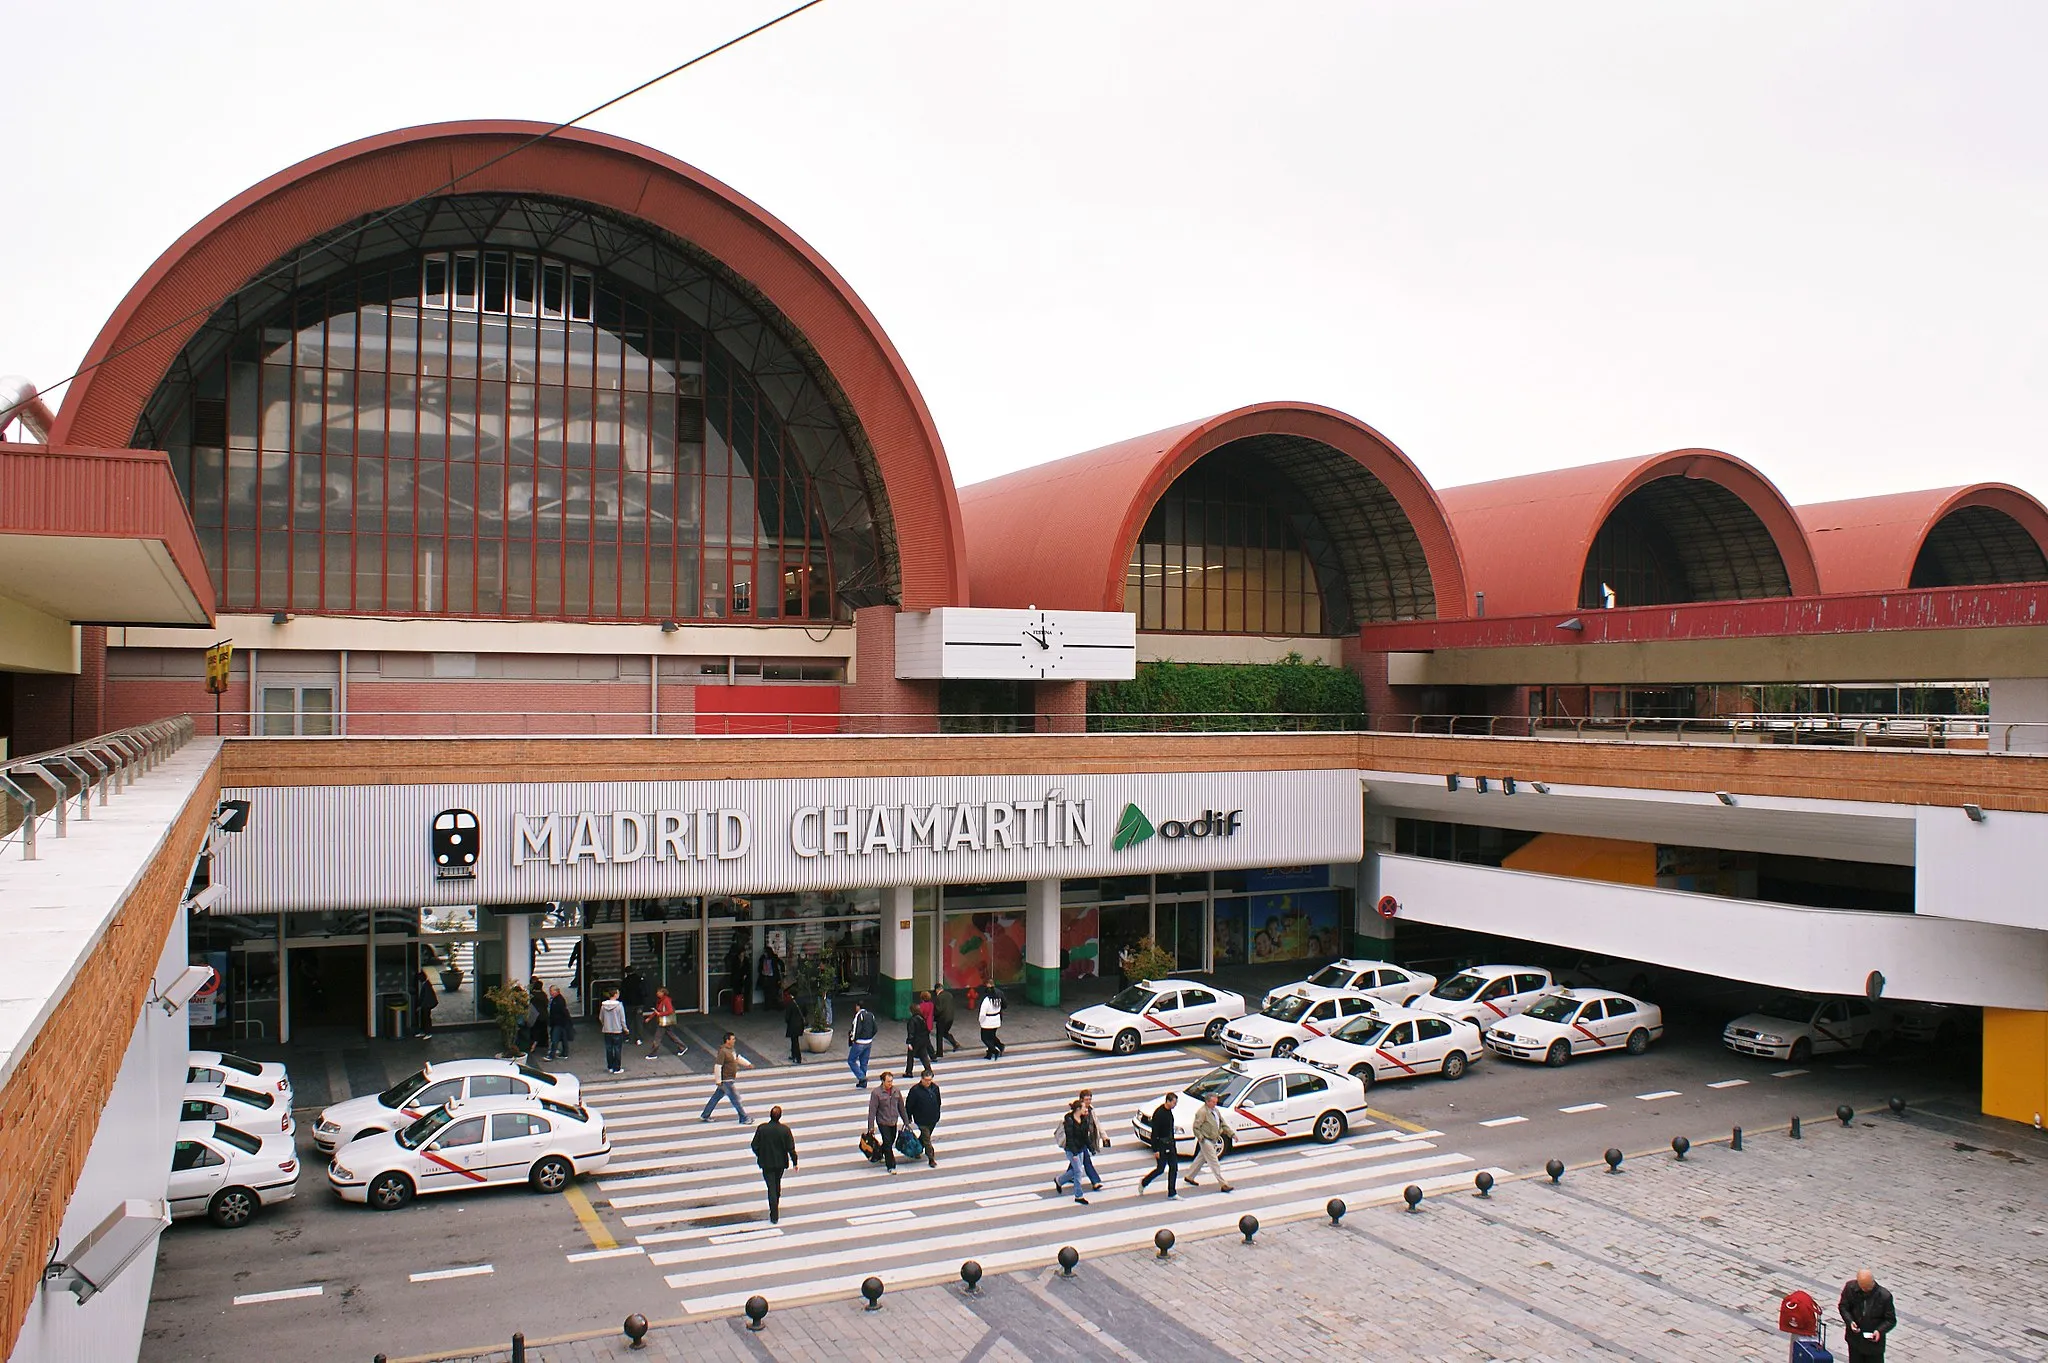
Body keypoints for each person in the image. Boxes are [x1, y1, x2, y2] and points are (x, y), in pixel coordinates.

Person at [750, 1105, 797, 1224]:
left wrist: (760, 1154)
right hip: (780, 1163)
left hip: (766, 1162)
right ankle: (776, 1202)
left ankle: (774, 1214)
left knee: (771, 1186)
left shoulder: (762, 1129)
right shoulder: (785, 1130)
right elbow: (790, 1148)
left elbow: (754, 1145)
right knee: (776, 1184)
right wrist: (795, 1162)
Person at [1839, 1270, 1897, 1361]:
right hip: (1855, 1341)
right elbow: (1843, 1307)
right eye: (1863, 1287)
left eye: (1868, 1287)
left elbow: (1891, 1320)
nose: (1866, 1290)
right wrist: (1850, 1321)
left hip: (1874, 1346)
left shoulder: (1884, 1296)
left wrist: (1879, 1331)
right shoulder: (1850, 1288)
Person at [1186, 1092, 1235, 1192]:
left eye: (1216, 1101)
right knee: (1214, 1162)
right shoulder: (1202, 1112)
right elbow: (1196, 1127)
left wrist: (1231, 1134)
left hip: (1213, 1139)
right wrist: (1200, 1137)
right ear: (1207, 1102)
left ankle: (1189, 1176)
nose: (1215, 1103)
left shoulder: (1215, 1111)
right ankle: (1223, 1184)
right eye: (1213, 1102)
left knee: (1200, 1159)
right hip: (1206, 1140)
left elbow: (1222, 1123)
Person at [1137, 1091, 1181, 1198]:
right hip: (1161, 1145)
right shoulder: (1159, 1113)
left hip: (1170, 1144)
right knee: (1160, 1169)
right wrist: (1155, 1149)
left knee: (1174, 1167)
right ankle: (1144, 1182)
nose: (1175, 1105)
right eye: (1174, 1103)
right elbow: (1155, 1132)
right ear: (1168, 1101)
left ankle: (1172, 1192)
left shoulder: (1169, 1112)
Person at [701, 1032, 752, 1123]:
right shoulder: (723, 1051)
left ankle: (705, 1115)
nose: (734, 1041)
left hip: (728, 1079)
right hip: (726, 1080)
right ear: (727, 1040)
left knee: (716, 1097)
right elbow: (718, 1066)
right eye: (733, 1039)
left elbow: (737, 1058)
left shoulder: (731, 1050)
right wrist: (718, 1080)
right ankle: (744, 1118)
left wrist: (747, 1064)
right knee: (735, 1099)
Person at [1053, 1099, 1092, 1204]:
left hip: (1080, 1148)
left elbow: (1085, 1136)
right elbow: (1070, 1139)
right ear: (1078, 1109)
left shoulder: (1084, 1119)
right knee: (1079, 1171)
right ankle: (1078, 1196)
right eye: (1084, 1107)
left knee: (1076, 1170)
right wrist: (1074, 1154)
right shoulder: (1069, 1121)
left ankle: (1059, 1180)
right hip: (1071, 1150)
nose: (1086, 1109)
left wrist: (1090, 1148)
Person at [865, 1072, 904, 1174]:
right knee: (887, 1143)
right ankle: (891, 1165)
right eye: (888, 1081)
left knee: (890, 1141)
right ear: (883, 1081)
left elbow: (901, 1107)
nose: (890, 1083)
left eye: (891, 1081)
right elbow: (872, 1110)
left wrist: (906, 1121)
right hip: (883, 1121)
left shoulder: (896, 1091)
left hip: (893, 1121)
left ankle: (878, 1153)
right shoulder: (876, 1093)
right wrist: (871, 1127)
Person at [903, 1071, 942, 1168]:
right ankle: (931, 1158)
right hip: (921, 1119)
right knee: (927, 1139)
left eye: (930, 1080)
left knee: (924, 1137)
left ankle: (917, 1150)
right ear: (922, 1079)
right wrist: (908, 1117)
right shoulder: (915, 1090)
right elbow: (909, 1105)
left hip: (933, 1118)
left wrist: (937, 1114)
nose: (928, 1082)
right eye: (926, 1080)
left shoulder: (935, 1088)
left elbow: (938, 1102)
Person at [1075, 1089, 1108, 1190]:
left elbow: (1097, 1123)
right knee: (1086, 1161)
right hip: (1079, 1141)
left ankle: (1063, 1178)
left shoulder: (1091, 1110)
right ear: (1081, 1100)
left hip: (1087, 1139)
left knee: (1077, 1162)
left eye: (1090, 1099)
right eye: (1086, 1099)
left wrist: (1104, 1136)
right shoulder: (1077, 1111)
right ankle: (1095, 1181)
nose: (1088, 1101)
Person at [646, 986, 685, 1060]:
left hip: (663, 1022)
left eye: (658, 992)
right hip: (665, 1022)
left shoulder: (666, 1000)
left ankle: (653, 1053)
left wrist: (659, 1014)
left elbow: (669, 1011)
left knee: (657, 1037)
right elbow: (657, 1011)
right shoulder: (661, 1000)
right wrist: (649, 1018)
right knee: (671, 1035)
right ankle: (682, 1047)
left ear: (662, 993)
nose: (657, 993)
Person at [846, 999, 879, 1088]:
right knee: (864, 1062)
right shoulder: (871, 1015)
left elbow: (856, 1029)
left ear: (858, 1006)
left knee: (851, 1060)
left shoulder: (859, 1016)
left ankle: (862, 1077)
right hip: (869, 1042)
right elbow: (875, 1028)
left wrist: (853, 1039)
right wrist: (870, 1036)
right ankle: (862, 1082)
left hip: (859, 1042)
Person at [598, 987, 629, 1074]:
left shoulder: (603, 1005)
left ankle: (610, 1067)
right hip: (617, 1030)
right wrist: (625, 1029)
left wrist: (605, 1024)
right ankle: (617, 1068)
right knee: (617, 1049)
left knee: (609, 1049)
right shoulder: (619, 1005)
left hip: (607, 1030)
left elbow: (601, 1017)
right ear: (615, 994)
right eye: (618, 993)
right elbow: (622, 1019)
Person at [904, 998, 935, 1077]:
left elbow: (911, 1032)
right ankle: (929, 1070)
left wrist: (909, 1042)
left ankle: (909, 1072)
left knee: (910, 1057)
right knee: (924, 1056)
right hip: (923, 1040)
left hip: (915, 1041)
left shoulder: (912, 1020)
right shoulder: (922, 1018)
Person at [621, 966, 650, 1049]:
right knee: (639, 1021)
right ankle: (639, 1038)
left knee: (628, 1021)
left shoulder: (625, 981)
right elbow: (645, 991)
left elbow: (623, 993)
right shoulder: (640, 980)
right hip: (639, 1003)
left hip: (628, 1004)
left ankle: (627, 1037)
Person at [931, 983, 961, 1056]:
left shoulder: (939, 998)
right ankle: (955, 1043)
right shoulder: (949, 995)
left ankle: (939, 1052)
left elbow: (938, 1009)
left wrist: (933, 1016)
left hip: (942, 1019)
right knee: (945, 1032)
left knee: (939, 1036)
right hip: (950, 1017)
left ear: (937, 989)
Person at [978, 984, 1006, 1060]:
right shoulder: (997, 999)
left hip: (987, 1022)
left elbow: (982, 1014)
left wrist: (981, 1021)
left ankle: (994, 1050)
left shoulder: (986, 1001)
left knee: (985, 1038)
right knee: (992, 1036)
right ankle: (993, 1051)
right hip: (996, 1020)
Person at [546, 985, 573, 1061]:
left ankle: (552, 1055)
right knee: (564, 1038)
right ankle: (564, 1053)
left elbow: (561, 1012)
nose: (550, 993)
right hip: (561, 1022)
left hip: (558, 1022)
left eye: (551, 991)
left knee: (555, 1039)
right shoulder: (557, 999)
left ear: (556, 991)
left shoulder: (558, 1001)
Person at [528, 975, 552, 1058]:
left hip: (534, 1016)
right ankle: (542, 1044)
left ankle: (533, 1045)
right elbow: (546, 1004)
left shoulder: (532, 995)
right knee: (543, 1031)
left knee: (535, 1031)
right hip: (543, 1016)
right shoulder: (543, 995)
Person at [412, 968, 438, 1038]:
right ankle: (424, 1031)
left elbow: (426, 997)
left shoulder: (426, 985)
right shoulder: (426, 984)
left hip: (428, 1004)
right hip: (428, 1003)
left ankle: (428, 1032)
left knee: (426, 1018)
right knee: (424, 1017)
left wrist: (420, 1006)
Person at [783, 990, 807, 1065]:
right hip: (800, 1024)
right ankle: (793, 1055)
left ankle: (798, 1057)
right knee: (794, 1041)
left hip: (792, 1025)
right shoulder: (801, 1002)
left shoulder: (790, 1004)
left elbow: (787, 1017)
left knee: (795, 1042)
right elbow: (805, 1012)